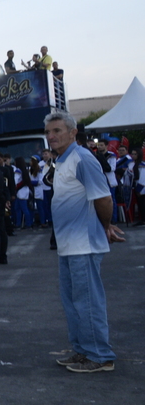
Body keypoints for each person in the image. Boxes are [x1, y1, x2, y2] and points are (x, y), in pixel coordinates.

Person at [45, 112, 123, 373]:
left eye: (57, 130)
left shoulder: (82, 159)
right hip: (69, 245)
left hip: (83, 245)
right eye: (48, 132)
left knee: (87, 302)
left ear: (72, 133)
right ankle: (83, 350)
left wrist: (105, 226)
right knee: (73, 303)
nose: (51, 136)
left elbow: (104, 198)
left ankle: (100, 356)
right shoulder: (62, 160)